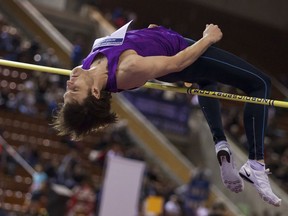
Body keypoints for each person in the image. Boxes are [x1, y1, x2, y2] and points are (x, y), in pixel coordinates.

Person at [53, 21, 281, 206]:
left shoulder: (84, 64)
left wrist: (150, 35)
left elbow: (125, 41)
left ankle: (221, 143)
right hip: (182, 52)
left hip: (164, 46)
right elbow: (177, 63)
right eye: (74, 89)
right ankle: (255, 163)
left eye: (67, 90)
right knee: (259, 84)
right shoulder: (127, 69)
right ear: (94, 92)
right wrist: (208, 38)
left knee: (207, 82)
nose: (70, 82)